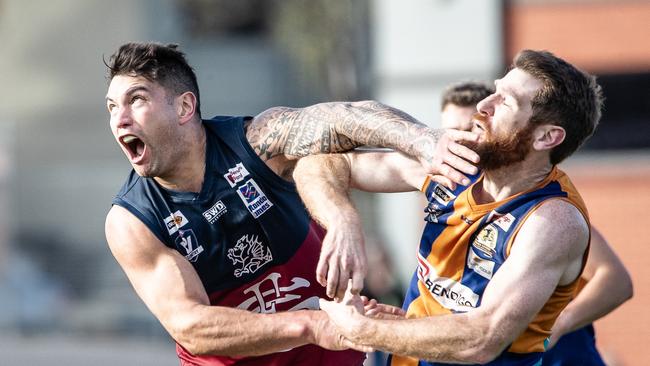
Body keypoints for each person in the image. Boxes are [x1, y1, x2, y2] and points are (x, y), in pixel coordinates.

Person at [102, 42, 480, 365]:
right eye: (111, 107)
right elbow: (192, 326)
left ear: (185, 107)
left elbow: (343, 118)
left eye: (136, 100)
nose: (119, 118)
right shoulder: (133, 221)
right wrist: (313, 325)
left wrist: (422, 141)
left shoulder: (258, 142)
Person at [294, 49, 604, 365]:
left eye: (505, 102)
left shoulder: (552, 220)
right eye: (495, 91)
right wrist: (342, 221)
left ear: (547, 137)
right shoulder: (459, 162)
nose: (483, 106)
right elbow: (317, 162)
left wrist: (361, 328)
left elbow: (481, 339)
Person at [441, 81, 634, 365]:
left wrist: (560, 324)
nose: (463, 138)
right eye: (451, 130)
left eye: (471, 128)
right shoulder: (449, 199)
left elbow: (617, 281)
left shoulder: (544, 213)